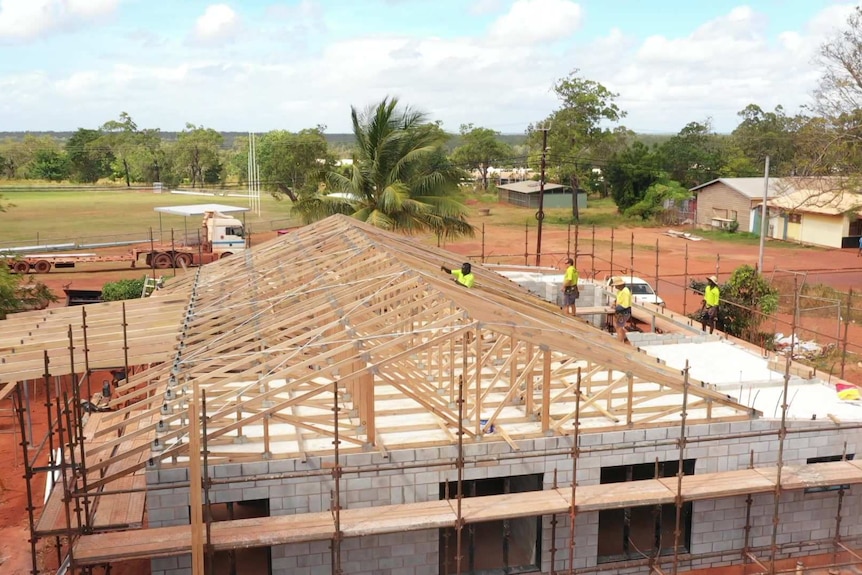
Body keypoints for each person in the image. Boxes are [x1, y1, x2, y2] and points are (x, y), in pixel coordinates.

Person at [612, 277, 632, 343]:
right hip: (620, 312)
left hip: (624, 312)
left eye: (616, 285)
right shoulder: (620, 291)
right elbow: (618, 299)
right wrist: (615, 303)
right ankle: (625, 339)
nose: (615, 287)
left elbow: (625, 305)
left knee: (619, 328)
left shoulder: (625, 291)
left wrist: (616, 308)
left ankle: (619, 343)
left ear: (620, 285)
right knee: (616, 325)